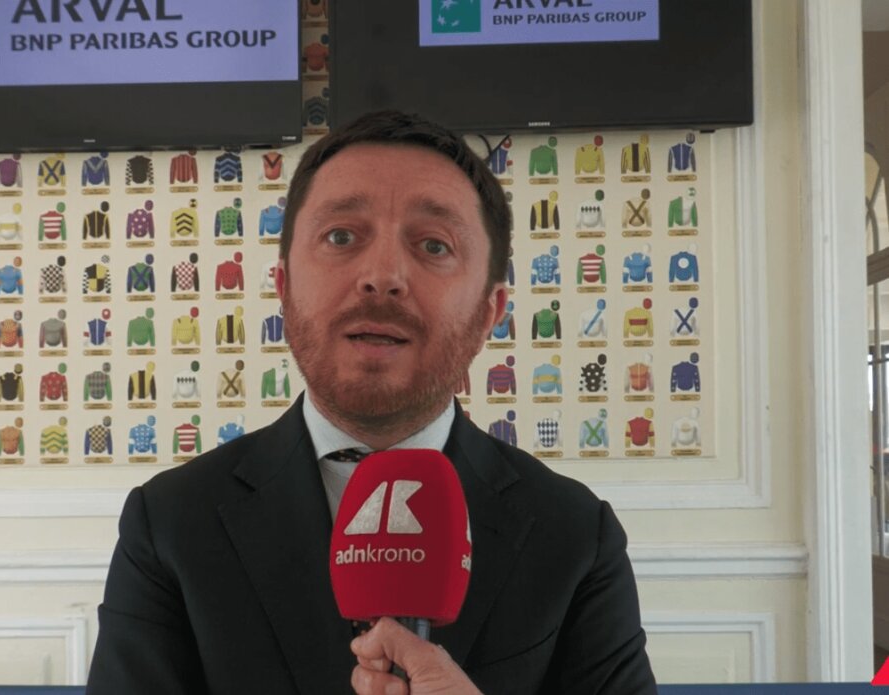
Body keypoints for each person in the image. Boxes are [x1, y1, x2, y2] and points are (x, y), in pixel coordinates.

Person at [86, 111, 657, 694]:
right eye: (341, 237)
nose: (382, 276)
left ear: (490, 311)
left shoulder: (576, 536)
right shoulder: (169, 524)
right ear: (283, 287)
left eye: (433, 244)